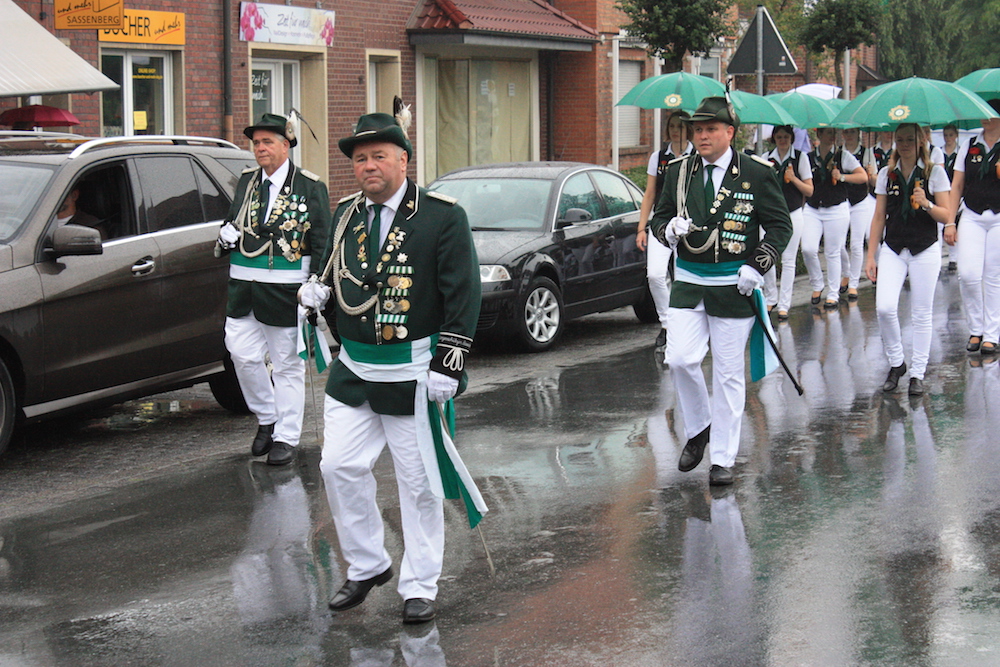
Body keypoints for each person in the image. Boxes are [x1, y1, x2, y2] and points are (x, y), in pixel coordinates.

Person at [300, 102, 481, 623]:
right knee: (338, 466)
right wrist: (316, 294)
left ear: (403, 159)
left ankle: (420, 583)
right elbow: (337, 276)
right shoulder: (346, 215)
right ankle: (367, 564)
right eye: (360, 159)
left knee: (417, 482)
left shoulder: (442, 216)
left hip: (413, 369)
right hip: (356, 368)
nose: (368, 167)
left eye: (378, 156)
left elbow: (463, 294)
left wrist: (449, 363)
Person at [649, 97, 792, 486]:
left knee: (728, 374)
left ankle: (723, 459)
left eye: (711, 129)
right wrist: (668, 230)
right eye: (697, 130)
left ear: (730, 132)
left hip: (733, 284)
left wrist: (758, 264)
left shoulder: (756, 173)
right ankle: (699, 428)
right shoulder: (679, 172)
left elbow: (780, 227)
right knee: (680, 359)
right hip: (689, 281)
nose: (702, 136)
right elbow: (659, 219)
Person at [217, 113, 331, 465]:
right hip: (243, 287)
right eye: (256, 143)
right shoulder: (248, 181)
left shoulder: (309, 186)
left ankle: (286, 436)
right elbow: (235, 220)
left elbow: (322, 239)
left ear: (286, 145)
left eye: (267, 142)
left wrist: (317, 283)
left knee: (287, 365)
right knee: (241, 354)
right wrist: (225, 234)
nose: (260, 148)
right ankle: (267, 416)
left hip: (285, 289)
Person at [864, 123, 952, 397]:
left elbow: (946, 215)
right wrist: (871, 255)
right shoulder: (886, 174)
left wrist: (927, 203)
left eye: (909, 140)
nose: (904, 145)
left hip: (924, 247)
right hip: (894, 246)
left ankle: (918, 373)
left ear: (920, 142)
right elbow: (879, 216)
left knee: (921, 313)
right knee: (885, 308)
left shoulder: (933, 173)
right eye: (899, 140)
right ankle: (896, 362)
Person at [636, 111, 693, 347]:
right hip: (661, 223)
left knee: (682, 277)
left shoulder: (696, 156)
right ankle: (667, 323)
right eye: (672, 126)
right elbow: (650, 193)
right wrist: (641, 228)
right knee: (655, 275)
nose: (676, 131)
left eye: (681, 126)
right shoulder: (658, 157)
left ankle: (684, 324)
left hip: (688, 225)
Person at [951, 99, 1000, 356]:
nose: (985, 117)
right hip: (972, 213)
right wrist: (950, 221)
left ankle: (991, 334)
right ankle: (976, 327)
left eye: (990, 114)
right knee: (968, 273)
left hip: (999, 216)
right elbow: (957, 185)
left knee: (993, 274)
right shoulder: (969, 145)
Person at [801, 127, 868, 309]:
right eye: (828, 133)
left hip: (836, 208)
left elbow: (862, 176)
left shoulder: (842, 156)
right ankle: (817, 283)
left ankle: (833, 293)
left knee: (832, 252)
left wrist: (843, 177)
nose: (832, 137)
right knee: (808, 248)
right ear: (819, 135)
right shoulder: (808, 157)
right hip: (813, 208)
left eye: (833, 133)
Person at [763, 125, 814, 321]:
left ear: (792, 138)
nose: (782, 140)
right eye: (779, 137)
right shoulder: (767, 158)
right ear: (774, 139)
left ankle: (784, 304)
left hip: (793, 212)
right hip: (771, 214)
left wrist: (793, 179)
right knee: (767, 255)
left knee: (788, 259)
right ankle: (771, 296)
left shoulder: (800, 158)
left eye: (786, 137)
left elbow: (809, 190)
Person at [840, 127, 877, 302]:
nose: (849, 136)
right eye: (847, 132)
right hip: (841, 200)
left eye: (853, 132)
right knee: (839, 244)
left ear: (858, 134)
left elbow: (874, 180)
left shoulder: (867, 153)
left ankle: (854, 283)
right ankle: (846, 272)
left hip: (861, 200)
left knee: (856, 244)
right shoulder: (839, 154)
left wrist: (870, 174)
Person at [942, 123, 961, 272]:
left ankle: (953, 257)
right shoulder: (939, 152)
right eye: (946, 135)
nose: (948, 138)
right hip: (942, 192)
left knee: (955, 222)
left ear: (956, 136)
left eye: (951, 135)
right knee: (941, 224)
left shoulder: (960, 153)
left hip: (955, 192)